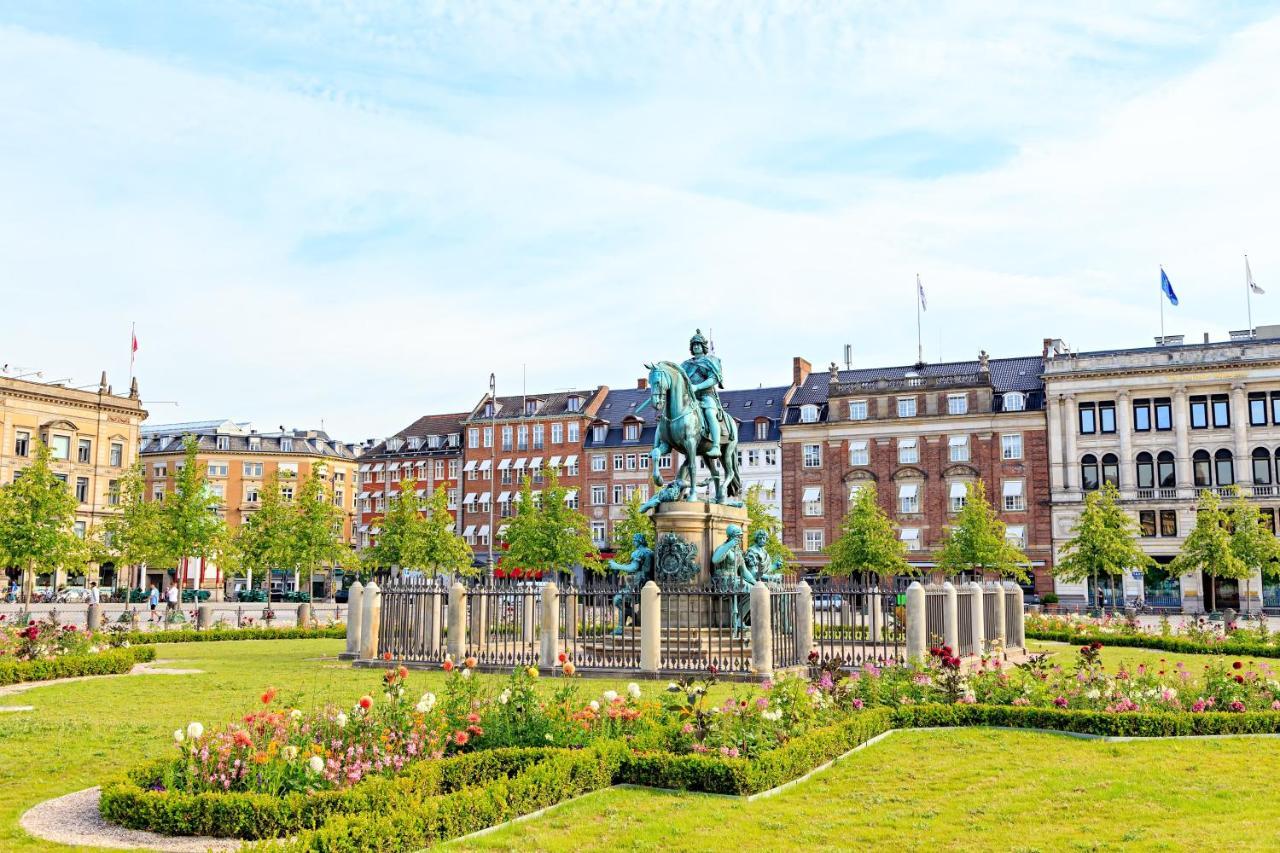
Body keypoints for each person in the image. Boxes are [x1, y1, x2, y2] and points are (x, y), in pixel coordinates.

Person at [679, 329, 725, 456]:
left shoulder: (711, 361)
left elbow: (713, 379)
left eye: (698, 344)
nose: (696, 347)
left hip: (707, 395)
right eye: (694, 345)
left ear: (703, 346)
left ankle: (716, 446)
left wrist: (698, 387)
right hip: (689, 397)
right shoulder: (685, 364)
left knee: (710, 413)